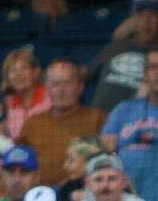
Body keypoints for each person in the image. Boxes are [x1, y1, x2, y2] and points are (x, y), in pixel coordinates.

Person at [15, 62, 106, 190]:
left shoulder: (97, 118)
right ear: (47, 88)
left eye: (68, 83)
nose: (61, 90)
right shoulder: (33, 123)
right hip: (39, 194)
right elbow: (20, 161)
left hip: (82, 191)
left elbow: (105, 162)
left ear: (80, 87)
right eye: (56, 84)